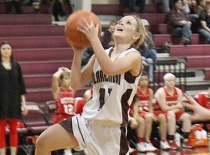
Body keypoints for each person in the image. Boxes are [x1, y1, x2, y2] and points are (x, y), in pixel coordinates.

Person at [35, 15, 145, 155]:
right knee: (43, 143)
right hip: (87, 121)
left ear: (135, 35)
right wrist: (78, 52)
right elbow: (75, 83)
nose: (121, 23)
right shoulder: (98, 56)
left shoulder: (134, 57)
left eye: (127, 22)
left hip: (111, 131)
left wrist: (94, 38)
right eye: (120, 21)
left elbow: (110, 68)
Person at [0, 41, 28, 155]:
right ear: (0, 51)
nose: (6, 51)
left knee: (13, 129)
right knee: (1, 129)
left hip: (15, 101)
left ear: (11, 51)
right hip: (1, 101)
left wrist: (24, 104)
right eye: (3, 49)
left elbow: (21, 86)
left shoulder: (17, 65)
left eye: (8, 48)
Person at [154, 73, 192, 149]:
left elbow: (180, 106)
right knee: (171, 115)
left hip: (173, 111)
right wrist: (175, 107)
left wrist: (174, 109)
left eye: (173, 81)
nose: (171, 82)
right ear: (164, 82)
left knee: (187, 116)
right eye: (169, 81)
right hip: (160, 112)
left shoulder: (178, 91)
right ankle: (171, 140)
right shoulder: (161, 92)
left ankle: (186, 140)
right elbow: (164, 108)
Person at [130, 72, 157, 152]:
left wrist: (152, 113)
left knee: (149, 118)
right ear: (138, 81)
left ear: (148, 81)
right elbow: (135, 107)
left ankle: (147, 141)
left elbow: (150, 106)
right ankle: (140, 142)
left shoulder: (150, 91)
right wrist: (146, 113)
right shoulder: (135, 90)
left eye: (145, 80)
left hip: (146, 113)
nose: (144, 81)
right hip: (137, 113)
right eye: (141, 80)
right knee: (145, 118)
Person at [51, 67, 75, 155]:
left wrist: (68, 71)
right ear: (61, 80)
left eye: (69, 78)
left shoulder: (71, 90)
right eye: (66, 78)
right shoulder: (57, 92)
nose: (68, 81)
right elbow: (54, 77)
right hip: (60, 119)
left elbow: (76, 77)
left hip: (70, 118)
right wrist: (60, 71)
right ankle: (67, 149)